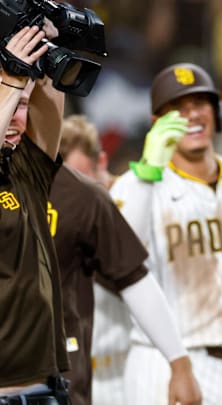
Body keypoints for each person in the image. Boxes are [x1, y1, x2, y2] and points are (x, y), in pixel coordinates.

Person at [110, 62, 222, 405]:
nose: (192, 115)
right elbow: (121, 260)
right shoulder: (135, 186)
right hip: (170, 361)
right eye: (178, 108)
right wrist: (148, 172)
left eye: (200, 104)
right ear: (156, 123)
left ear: (216, 112)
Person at [44, 114, 200, 405]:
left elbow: (126, 265)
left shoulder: (125, 196)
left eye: (82, 173)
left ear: (101, 162)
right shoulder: (53, 210)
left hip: (131, 364)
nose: (77, 185)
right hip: (80, 372)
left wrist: (146, 175)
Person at [0, 25, 72, 402]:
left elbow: (50, 99)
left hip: (46, 388)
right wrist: (10, 85)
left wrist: (45, 47)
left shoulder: (25, 165)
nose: (15, 116)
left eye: (22, 107)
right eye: (10, 104)